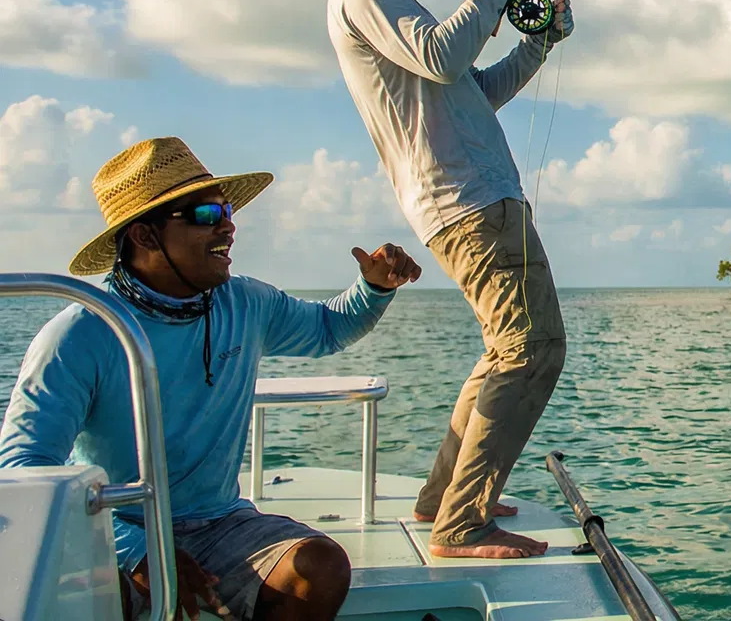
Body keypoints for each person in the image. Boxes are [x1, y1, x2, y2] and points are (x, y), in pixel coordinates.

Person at [0, 136, 423, 621]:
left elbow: (328, 329)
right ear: (144, 236)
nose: (229, 227)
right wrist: (141, 553)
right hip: (115, 529)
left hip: (221, 523)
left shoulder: (242, 303)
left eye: (227, 212)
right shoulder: (81, 334)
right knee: (86, 599)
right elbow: (24, 468)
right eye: (207, 216)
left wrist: (373, 287)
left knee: (319, 568)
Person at [326, 0, 573, 560]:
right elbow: (443, 53)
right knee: (533, 349)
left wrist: (539, 44)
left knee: (507, 349)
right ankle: (461, 523)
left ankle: (446, 499)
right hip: (471, 201)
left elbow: (474, 93)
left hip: (469, 199)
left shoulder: (392, 1)